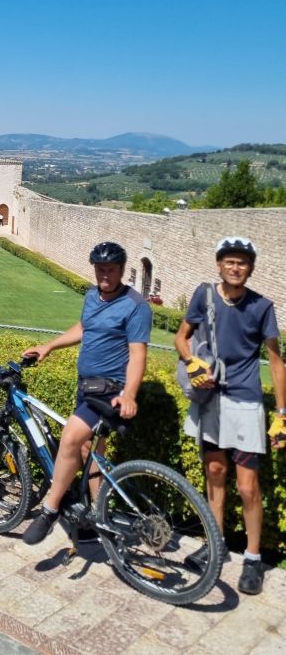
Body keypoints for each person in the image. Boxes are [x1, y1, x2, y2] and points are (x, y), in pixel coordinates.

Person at [175, 236, 286, 595]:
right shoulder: (203, 295)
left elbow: (276, 361)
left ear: (250, 268)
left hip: (245, 402)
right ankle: (216, 544)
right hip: (211, 399)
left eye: (242, 262)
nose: (235, 267)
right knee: (215, 472)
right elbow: (182, 337)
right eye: (229, 261)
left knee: (248, 486)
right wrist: (191, 362)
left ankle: (253, 558)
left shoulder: (262, 307)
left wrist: (282, 414)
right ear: (219, 265)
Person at [22, 242, 151, 545]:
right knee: (89, 452)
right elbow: (84, 327)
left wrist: (130, 394)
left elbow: (138, 354)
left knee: (70, 437)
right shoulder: (93, 295)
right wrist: (49, 346)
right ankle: (98, 517)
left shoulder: (135, 306)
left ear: (121, 270)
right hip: (87, 386)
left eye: (111, 269)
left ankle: (50, 509)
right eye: (100, 268)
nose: (105, 274)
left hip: (109, 392)